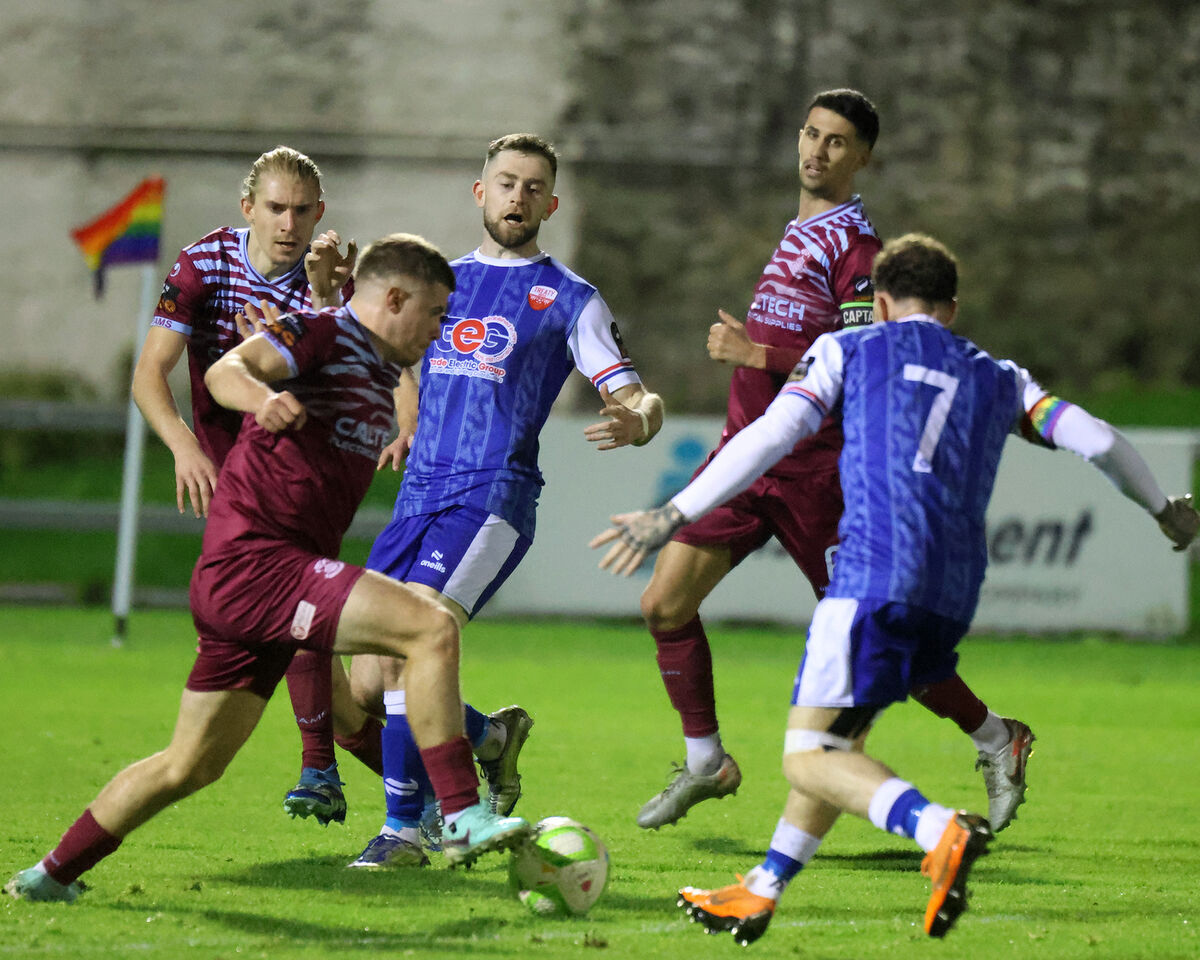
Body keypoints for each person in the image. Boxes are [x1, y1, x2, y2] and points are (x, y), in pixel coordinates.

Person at [592, 233, 1200, 942]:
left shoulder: (849, 350)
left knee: (808, 757)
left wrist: (674, 511)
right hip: (953, 595)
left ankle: (938, 829)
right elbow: (1095, 438)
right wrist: (1165, 510)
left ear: (878, 303)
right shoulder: (1001, 375)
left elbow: (770, 435)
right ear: (952, 307)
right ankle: (763, 886)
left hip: (872, 578)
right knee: (835, 741)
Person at [5, 234, 535, 904]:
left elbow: (396, 387)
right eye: (433, 314)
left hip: (250, 582)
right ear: (395, 300)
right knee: (428, 628)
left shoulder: (376, 363)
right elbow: (230, 369)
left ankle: (48, 875)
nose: (439, 331)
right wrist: (260, 399)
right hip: (260, 565)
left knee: (189, 765)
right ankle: (461, 814)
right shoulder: (318, 333)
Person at [633, 88, 1034, 834]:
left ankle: (996, 737)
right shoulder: (797, 234)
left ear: (864, 157)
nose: (817, 151)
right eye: (811, 135)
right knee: (663, 603)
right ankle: (704, 762)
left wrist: (758, 353)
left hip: (820, 475)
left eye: (838, 141)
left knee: (892, 651)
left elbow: (867, 363)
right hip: (749, 459)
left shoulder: (860, 255)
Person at [343, 133, 664, 869]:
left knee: (403, 647)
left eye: (533, 187)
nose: (518, 196)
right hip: (417, 496)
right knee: (365, 680)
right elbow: (400, 359)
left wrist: (640, 417)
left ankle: (406, 832)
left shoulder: (570, 298)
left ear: (550, 203)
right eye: (506, 182)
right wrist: (410, 420)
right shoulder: (440, 282)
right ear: (479, 192)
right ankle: (491, 737)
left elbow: (633, 391)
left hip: (490, 496)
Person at [130, 145, 377, 826]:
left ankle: (323, 766)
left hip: (300, 475)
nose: (288, 222)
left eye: (301, 210)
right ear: (248, 209)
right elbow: (151, 372)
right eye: (275, 207)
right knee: (317, 651)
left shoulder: (328, 284)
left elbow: (364, 372)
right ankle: (446, 770)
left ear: (320, 213)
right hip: (230, 475)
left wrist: (334, 301)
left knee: (295, 619)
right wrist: (184, 446)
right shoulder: (203, 263)